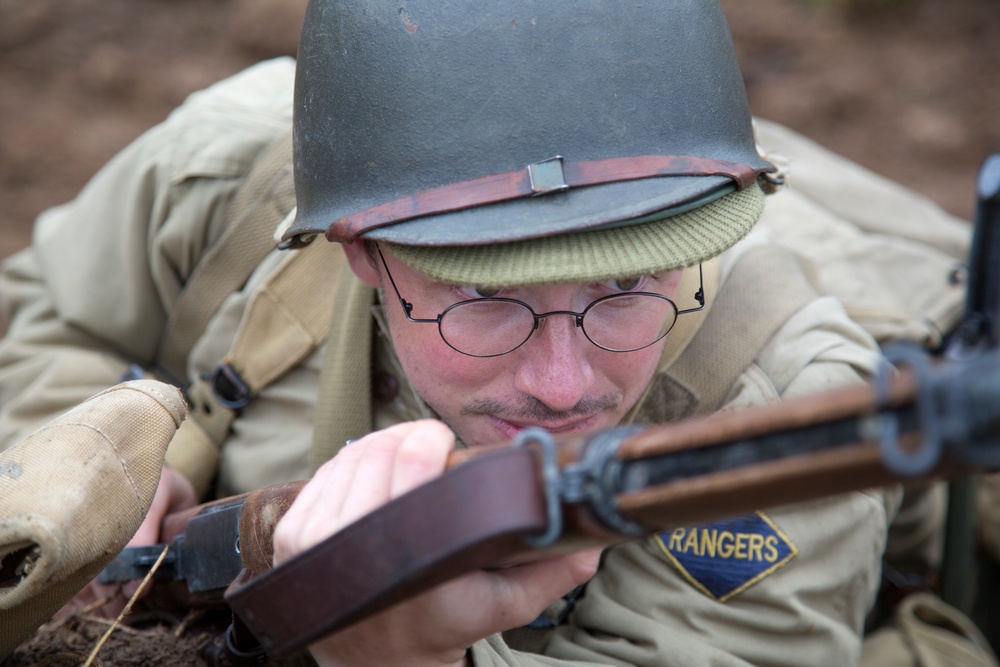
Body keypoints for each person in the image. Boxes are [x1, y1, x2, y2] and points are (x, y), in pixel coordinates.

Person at [0, 1, 987, 665]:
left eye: (630, 283)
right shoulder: (231, 175)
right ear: (357, 251)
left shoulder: (803, 406)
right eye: (485, 298)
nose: (564, 386)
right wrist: (113, 460)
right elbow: (52, 312)